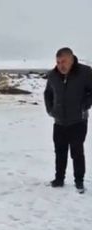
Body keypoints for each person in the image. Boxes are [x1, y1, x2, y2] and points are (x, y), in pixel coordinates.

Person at [44, 47, 92, 193]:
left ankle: (79, 181)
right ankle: (59, 179)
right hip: (59, 122)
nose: (60, 65)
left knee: (77, 152)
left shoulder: (85, 72)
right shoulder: (53, 75)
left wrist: (84, 105)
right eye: (58, 62)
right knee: (60, 152)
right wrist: (51, 110)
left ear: (71, 59)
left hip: (78, 121)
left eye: (63, 61)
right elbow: (48, 93)